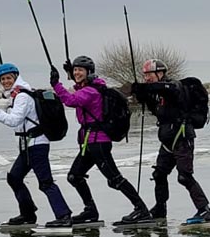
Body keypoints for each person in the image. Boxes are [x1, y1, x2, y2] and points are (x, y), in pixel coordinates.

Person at [51, 55, 151, 224]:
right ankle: (90, 211)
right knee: (74, 176)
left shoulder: (91, 91)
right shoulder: (88, 88)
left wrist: (56, 84)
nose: (76, 73)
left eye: (80, 70)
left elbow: (70, 100)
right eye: (75, 70)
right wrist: (70, 74)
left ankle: (141, 210)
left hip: (99, 143)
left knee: (115, 179)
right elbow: (78, 89)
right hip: (89, 143)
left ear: (89, 72)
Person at [0, 63, 73, 227]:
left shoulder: (22, 96)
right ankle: (28, 214)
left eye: (8, 78)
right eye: (2, 79)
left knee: (45, 182)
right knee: (14, 178)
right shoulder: (17, 95)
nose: (5, 81)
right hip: (28, 146)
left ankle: (64, 216)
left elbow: (14, 121)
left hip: (37, 144)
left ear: (16, 77)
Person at [131, 59, 210, 223]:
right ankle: (160, 209)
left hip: (182, 139)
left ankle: (205, 210)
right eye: (145, 75)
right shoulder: (158, 95)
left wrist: (146, 87)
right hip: (167, 142)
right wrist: (142, 95)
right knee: (159, 174)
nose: (147, 78)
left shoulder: (174, 86)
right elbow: (159, 111)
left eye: (149, 75)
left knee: (184, 176)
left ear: (160, 73)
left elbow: (168, 88)